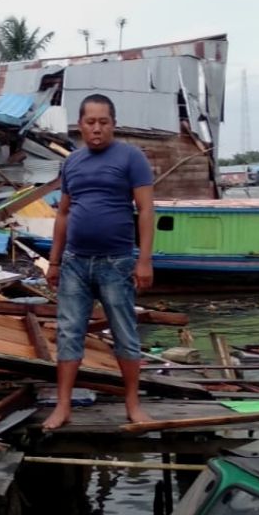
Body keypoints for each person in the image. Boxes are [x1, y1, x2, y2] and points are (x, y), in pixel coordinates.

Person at [44, 95, 154, 429]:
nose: (96, 129)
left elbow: (146, 210)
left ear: (113, 124)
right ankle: (63, 406)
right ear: (80, 125)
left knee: (124, 332)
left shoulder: (131, 157)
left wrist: (144, 260)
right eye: (90, 122)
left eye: (103, 122)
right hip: (75, 263)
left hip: (117, 262)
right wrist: (54, 261)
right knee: (69, 332)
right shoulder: (72, 163)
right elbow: (63, 213)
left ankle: (132, 404)